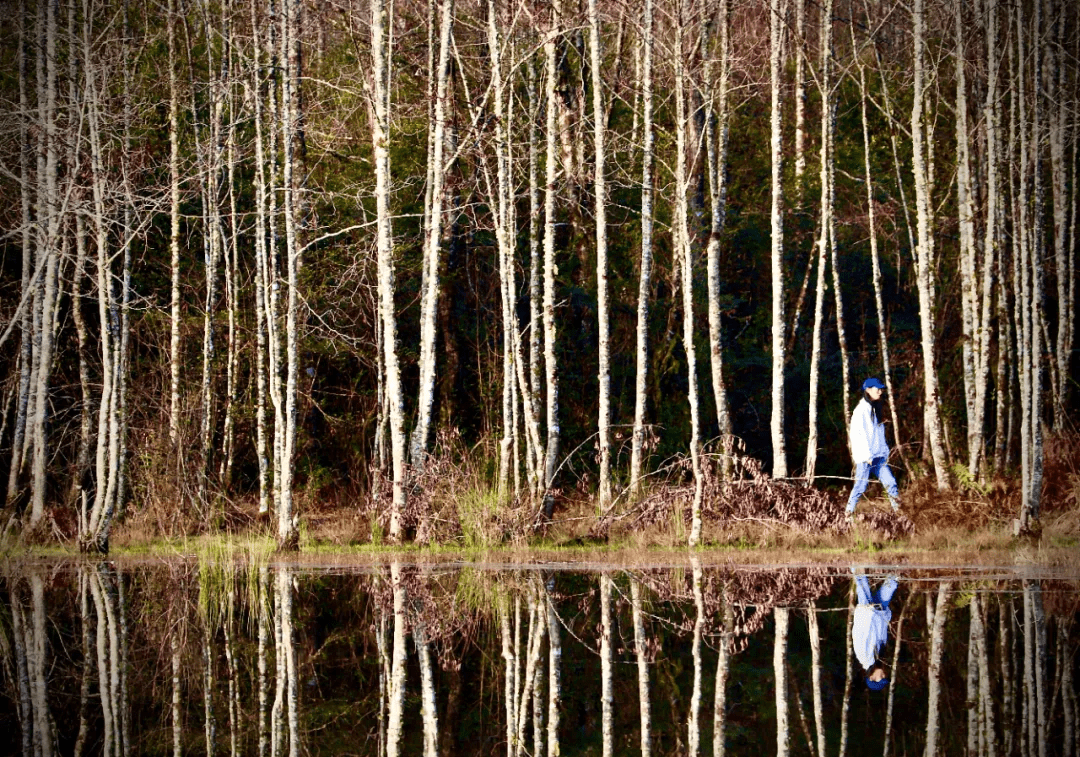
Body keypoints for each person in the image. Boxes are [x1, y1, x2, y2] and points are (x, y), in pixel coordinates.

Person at [846, 377, 900, 519]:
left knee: (891, 483)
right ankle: (848, 514)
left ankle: (899, 514)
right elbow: (857, 435)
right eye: (878, 389)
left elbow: (879, 435)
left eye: (881, 389)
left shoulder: (875, 409)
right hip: (865, 458)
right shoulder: (860, 410)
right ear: (868, 390)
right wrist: (866, 456)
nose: (880, 392)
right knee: (860, 487)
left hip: (878, 456)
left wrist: (884, 452)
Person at [851, 569, 898, 691]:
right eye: (884, 677)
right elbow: (882, 630)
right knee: (892, 583)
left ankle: (853, 555)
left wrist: (866, 611)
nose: (883, 675)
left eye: (880, 678)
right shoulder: (880, 656)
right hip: (879, 612)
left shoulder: (864, 657)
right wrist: (885, 615)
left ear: (871, 677)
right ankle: (900, 561)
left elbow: (858, 632)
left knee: (861, 579)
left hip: (866, 611)